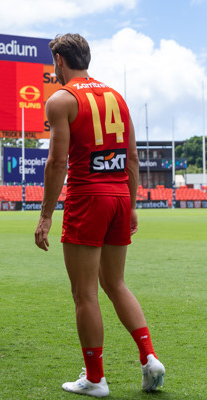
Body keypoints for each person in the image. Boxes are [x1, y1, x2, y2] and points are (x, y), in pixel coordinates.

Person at [34, 33, 165, 397]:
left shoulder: (61, 99)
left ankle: (95, 379)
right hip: (120, 195)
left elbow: (57, 162)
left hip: (88, 197)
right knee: (115, 283)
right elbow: (134, 159)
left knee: (85, 293)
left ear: (60, 60)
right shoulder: (117, 98)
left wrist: (45, 215)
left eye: (52, 63)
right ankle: (149, 357)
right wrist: (133, 205)